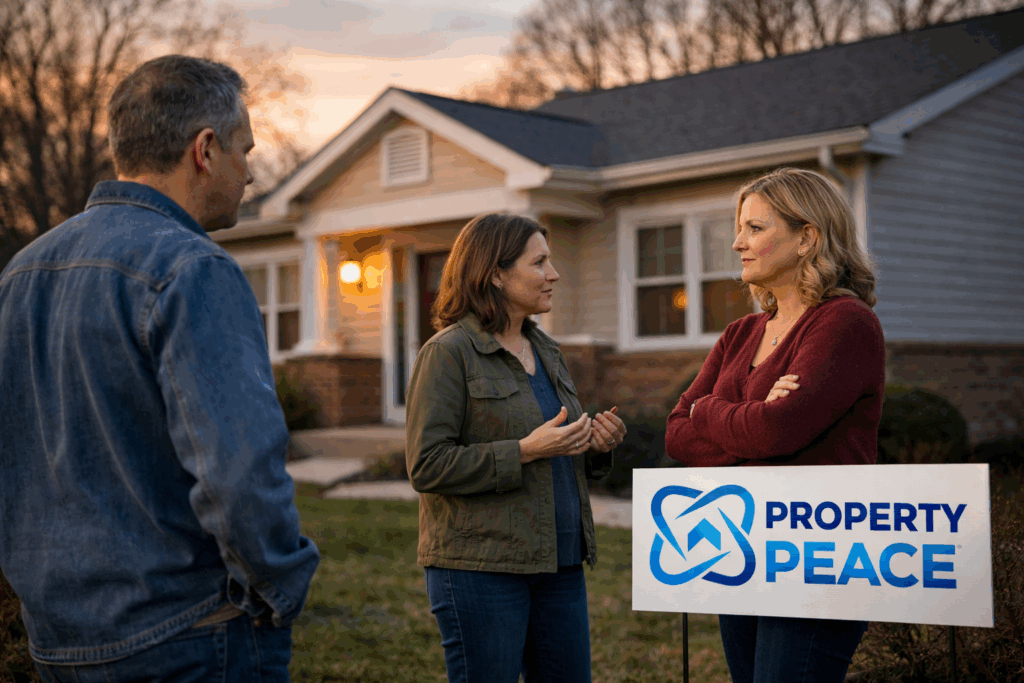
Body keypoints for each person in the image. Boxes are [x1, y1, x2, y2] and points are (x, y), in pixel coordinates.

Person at [0, 55, 319, 680]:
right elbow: (239, 476)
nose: (250, 174)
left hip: (58, 642)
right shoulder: (193, 269)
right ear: (204, 150)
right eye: (243, 150)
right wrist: (281, 587)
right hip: (188, 639)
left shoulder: (18, 276)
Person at [665, 167, 885, 682]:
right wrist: (753, 420)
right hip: (742, 548)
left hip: (817, 556)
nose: (738, 242)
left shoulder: (843, 323)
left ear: (807, 237)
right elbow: (677, 434)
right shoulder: (740, 332)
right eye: (739, 227)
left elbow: (774, 433)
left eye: (756, 229)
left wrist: (709, 412)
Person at [405, 213, 627, 683]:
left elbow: (558, 447)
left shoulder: (546, 349)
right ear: (496, 274)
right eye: (539, 262)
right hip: (481, 569)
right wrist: (523, 450)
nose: (554, 274)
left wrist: (595, 445)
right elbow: (427, 465)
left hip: (560, 564)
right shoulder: (449, 353)